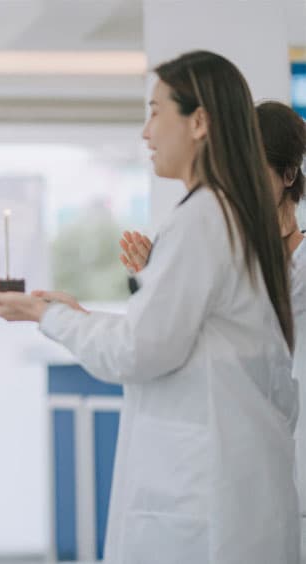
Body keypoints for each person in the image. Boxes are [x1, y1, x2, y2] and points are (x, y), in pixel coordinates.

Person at [0, 50, 299, 563]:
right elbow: (182, 341)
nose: (145, 133)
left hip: (206, 499)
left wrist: (47, 316)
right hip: (230, 483)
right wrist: (77, 317)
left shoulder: (205, 220)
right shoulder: (227, 215)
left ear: (199, 121)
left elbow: (137, 352)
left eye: (154, 111)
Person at [121, 99, 306, 557]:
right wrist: (159, 280)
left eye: (252, 170)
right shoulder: (222, 257)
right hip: (243, 465)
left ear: (287, 176)